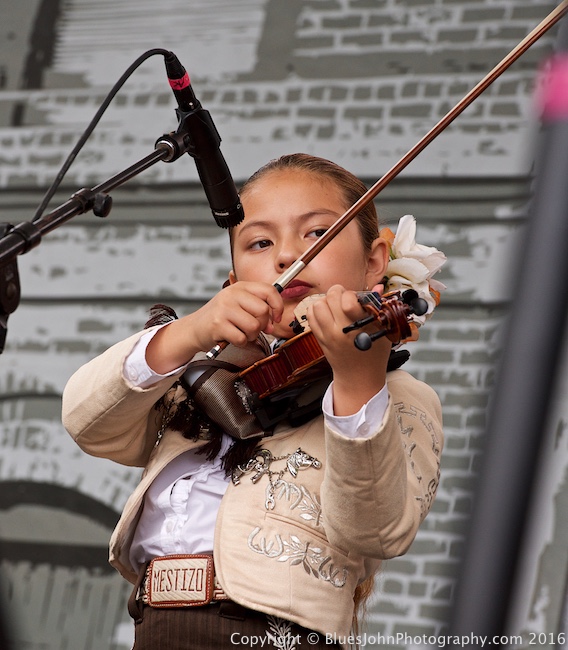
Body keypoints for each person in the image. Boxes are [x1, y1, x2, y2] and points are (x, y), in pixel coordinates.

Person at [62, 153, 444, 650]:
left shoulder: (397, 398)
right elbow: (86, 421)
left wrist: (355, 382)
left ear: (374, 262)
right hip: (156, 628)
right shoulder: (200, 375)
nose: (286, 257)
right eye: (260, 242)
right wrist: (187, 333)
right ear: (235, 274)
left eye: (315, 235)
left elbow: (376, 530)